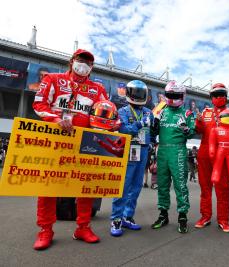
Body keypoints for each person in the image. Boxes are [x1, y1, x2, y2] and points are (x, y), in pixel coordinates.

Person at [32, 49, 107, 250]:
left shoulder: (98, 89)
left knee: (86, 188)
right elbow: (39, 104)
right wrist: (56, 119)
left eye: (88, 62)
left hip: (85, 145)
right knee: (48, 187)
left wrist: (109, 125)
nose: (83, 64)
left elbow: (102, 115)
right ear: (72, 61)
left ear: (92, 68)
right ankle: (45, 230)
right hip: (54, 142)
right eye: (80, 60)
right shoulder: (52, 79)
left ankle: (83, 227)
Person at [109, 80, 154, 237]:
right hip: (128, 150)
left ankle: (128, 216)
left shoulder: (149, 112)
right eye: (135, 93)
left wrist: (152, 142)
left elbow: (153, 131)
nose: (138, 96)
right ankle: (116, 219)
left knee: (136, 186)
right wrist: (139, 124)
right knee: (123, 186)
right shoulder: (122, 111)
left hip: (142, 151)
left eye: (141, 93)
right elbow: (123, 129)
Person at [151, 80, 195, 233]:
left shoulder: (187, 113)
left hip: (178, 151)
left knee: (180, 185)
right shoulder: (161, 111)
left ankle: (182, 216)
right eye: (170, 95)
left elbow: (191, 133)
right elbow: (152, 133)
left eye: (175, 95)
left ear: (182, 96)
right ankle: (163, 215)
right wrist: (154, 125)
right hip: (162, 150)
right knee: (162, 184)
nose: (172, 97)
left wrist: (185, 129)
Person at [194, 83, 229, 232]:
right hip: (205, 152)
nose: (219, 97)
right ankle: (205, 216)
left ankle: (223, 219)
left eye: (222, 94)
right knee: (205, 187)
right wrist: (198, 121)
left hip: (223, 154)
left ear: (226, 96)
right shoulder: (205, 112)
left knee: (223, 188)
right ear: (211, 97)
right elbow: (199, 130)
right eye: (216, 94)